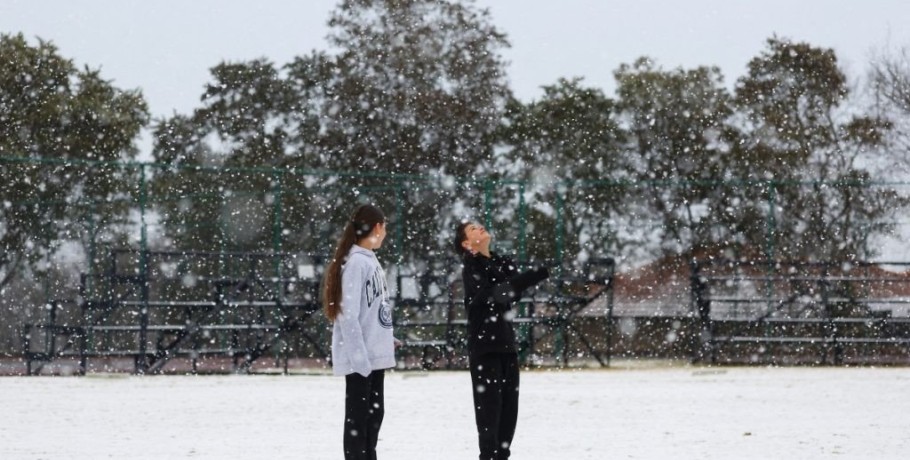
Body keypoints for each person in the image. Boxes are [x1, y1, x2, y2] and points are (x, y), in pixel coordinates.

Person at [454, 221, 550, 460]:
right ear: (467, 243)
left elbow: (512, 292)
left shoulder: (500, 262)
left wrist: (527, 278)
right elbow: (497, 294)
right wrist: (532, 276)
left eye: (479, 225)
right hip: (485, 351)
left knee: (509, 414)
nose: (480, 228)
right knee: (489, 416)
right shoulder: (471, 267)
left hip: (507, 348)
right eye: (472, 229)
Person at [323, 204, 396, 460]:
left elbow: (371, 309)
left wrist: (385, 336)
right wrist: (360, 360)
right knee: (359, 423)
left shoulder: (369, 260)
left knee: (373, 418)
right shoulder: (356, 262)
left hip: (372, 357)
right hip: (361, 361)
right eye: (385, 226)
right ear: (377, 227)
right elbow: (347, 314)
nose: (386, 233)